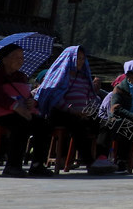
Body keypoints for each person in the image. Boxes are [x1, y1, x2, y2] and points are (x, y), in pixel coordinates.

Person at [0, 43, 53, 177]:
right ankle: (12, 165)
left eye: (22, 57)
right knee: (20, 123)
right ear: (4, 59)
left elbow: (25, 95)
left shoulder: (20, 76)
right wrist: (15, 106)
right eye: (16, 57)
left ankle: (37, 165)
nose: (20, 60)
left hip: (17, 112)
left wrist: (30, 102)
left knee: (43, 124)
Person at [35, 45, 115, 174]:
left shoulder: (83, 78)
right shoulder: (60, 76)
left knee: (107, 123)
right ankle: (89, 162)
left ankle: (101, 158)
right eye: (78, 58)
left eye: (83, 59)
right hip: (62, 113)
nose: (81, 61)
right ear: (69, 59)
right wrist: (72, 110)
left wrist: (91, 110)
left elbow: (92, 97)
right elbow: (54, 97)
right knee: (77, 124)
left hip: (83, 113)